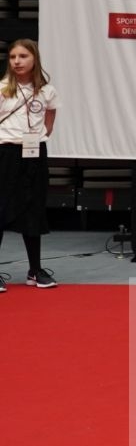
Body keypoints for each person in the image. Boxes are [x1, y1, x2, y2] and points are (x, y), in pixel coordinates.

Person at [0, 39, 57, 292]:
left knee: (33, 209)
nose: (17, 61)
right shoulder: (2, 89)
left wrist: (40, 136)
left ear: (34, 59)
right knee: (1, 209)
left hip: (34, 154)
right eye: (13, 57)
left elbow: (50, 116)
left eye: (22, 56)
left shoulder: (46, 91)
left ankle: (35, 270)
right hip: (5, 153)